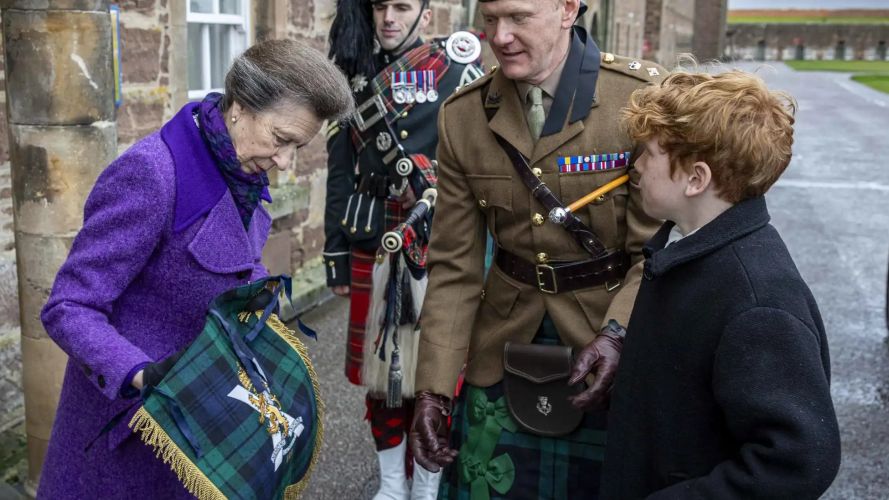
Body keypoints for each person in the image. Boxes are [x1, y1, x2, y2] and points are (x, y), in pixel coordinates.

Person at [37, 39, 353, 499]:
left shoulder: (244, 176)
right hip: (124, 441)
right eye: (282, 141)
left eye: (298, 148)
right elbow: (68, 306)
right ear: (241, 107)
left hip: (202, 438)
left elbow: (231, 267)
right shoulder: (151, 175)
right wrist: (142, 374)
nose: (285, 163)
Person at [407, 0, 666, 497]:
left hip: (608, 342)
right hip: (502, 341)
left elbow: (656, 253)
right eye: (489, 19)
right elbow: (455, 269)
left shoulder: (640, 101)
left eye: (518, 17)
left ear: (568, 9)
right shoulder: (463, 117)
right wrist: (433, 389)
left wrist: (619, 334)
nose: (499, 36)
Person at [599, 70, 842, 498]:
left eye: (650, 154)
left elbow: (798, 461)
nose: (634, 165)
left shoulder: (758, 302)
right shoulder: (686, 250)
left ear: (696, 178)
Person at [324, 0, 483, 498]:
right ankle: (392, 486)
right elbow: (339, 173)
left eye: (402, 6)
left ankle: (427, 487)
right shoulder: (353, 80)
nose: (389, 18)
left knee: (435, 370)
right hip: (375, 243)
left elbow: (479, 160)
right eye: (380, 7)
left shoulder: (457, 71)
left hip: (439, 245)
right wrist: (335, 252)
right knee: (382, 378)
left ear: (425, 15)